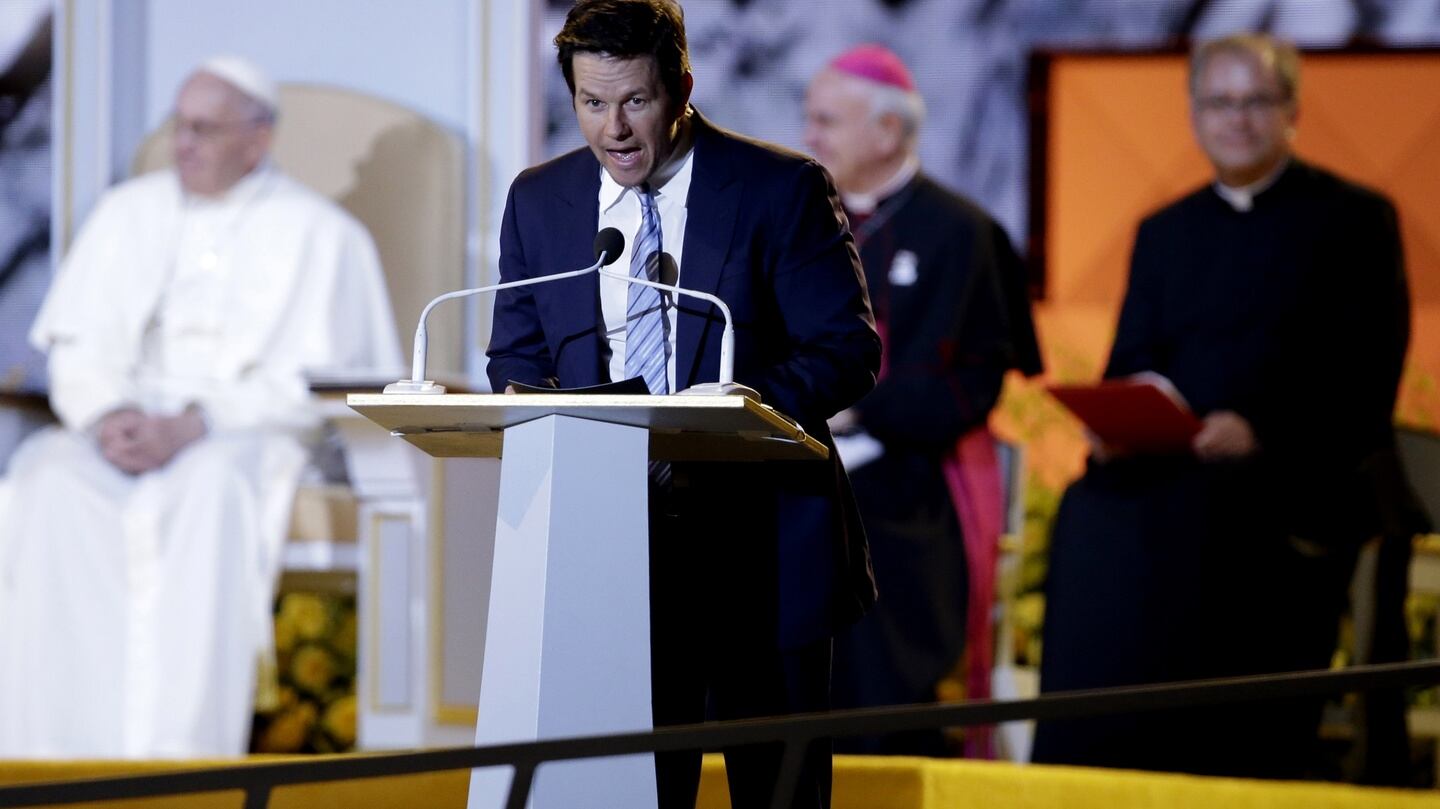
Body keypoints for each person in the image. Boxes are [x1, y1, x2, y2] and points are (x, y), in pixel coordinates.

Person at [485, 1, 881, 806]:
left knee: (778, 791)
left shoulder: (780, 188)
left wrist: (738, 409)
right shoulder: (540, 199)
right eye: (592, 104)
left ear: (683, 87)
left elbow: (848, 349)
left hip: (760, 541)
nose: (614, 129)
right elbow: (514, 354)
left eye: (635, 101)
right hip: (606, 551)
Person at [1031, 34, 1412, 779]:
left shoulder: (1356, 219)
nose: (1236, 119)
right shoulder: (1165, 231)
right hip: (1171, 465)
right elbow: (1131, 360)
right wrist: (1118, 425)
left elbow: (1367, 378)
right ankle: (1087, 772)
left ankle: (1216, 771)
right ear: (1195, 113)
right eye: (1219, 103)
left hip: (1293, 473)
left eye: (1255, 102)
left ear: (1292, 110)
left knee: (1212, 521)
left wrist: (1261, 429)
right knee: (1089, 506)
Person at [0, 56, 401, 758]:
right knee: (44, 475)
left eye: (205, 130)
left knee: (212, 491)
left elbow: (323, 387)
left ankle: (179, 759)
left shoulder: (323, 236)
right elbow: (77, 350)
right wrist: (107, 416)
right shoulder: (128, 212)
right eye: (180, 126)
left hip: (241, 439)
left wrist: (195, 424)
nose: (183, 143)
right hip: (118, 436)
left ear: (258, 139)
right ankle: (47, 754)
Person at [802, 45, 1041, 757]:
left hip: (908, 474)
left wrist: (864, 408)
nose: (810, 136)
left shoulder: (963, 233)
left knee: (858, 520)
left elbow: (973, 383)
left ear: (886, 132)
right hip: (801, 454)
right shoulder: (802, 221)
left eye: (826, 121)